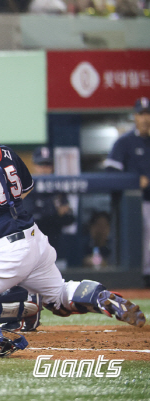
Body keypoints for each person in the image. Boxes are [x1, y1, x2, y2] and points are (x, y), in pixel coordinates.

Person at [0, 99, 145, 337]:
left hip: (8, 251)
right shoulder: (5, 152)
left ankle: (22, 309)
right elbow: (24, 189)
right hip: (35, 240)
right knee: (59, 298)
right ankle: (99, 296)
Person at [103, 97, 150, 286]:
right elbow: (110, 174)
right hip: (135, 205)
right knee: (141, 240)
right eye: (141, 114)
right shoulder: (124, 142)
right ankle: (144, 277)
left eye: (147, 114)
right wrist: (133, 179)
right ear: (134, 117)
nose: (145, 118)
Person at [21, 146, 75, 265]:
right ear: (34, 165)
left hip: (56, 247)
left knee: (59, 281)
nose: (44, 169)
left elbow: (70, 218)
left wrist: (46, 212)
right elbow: (31, 219)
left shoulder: (58, 188)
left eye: (48, 164)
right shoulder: (27, 188)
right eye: (41, 164)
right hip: (33, 250)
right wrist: (55, 212)